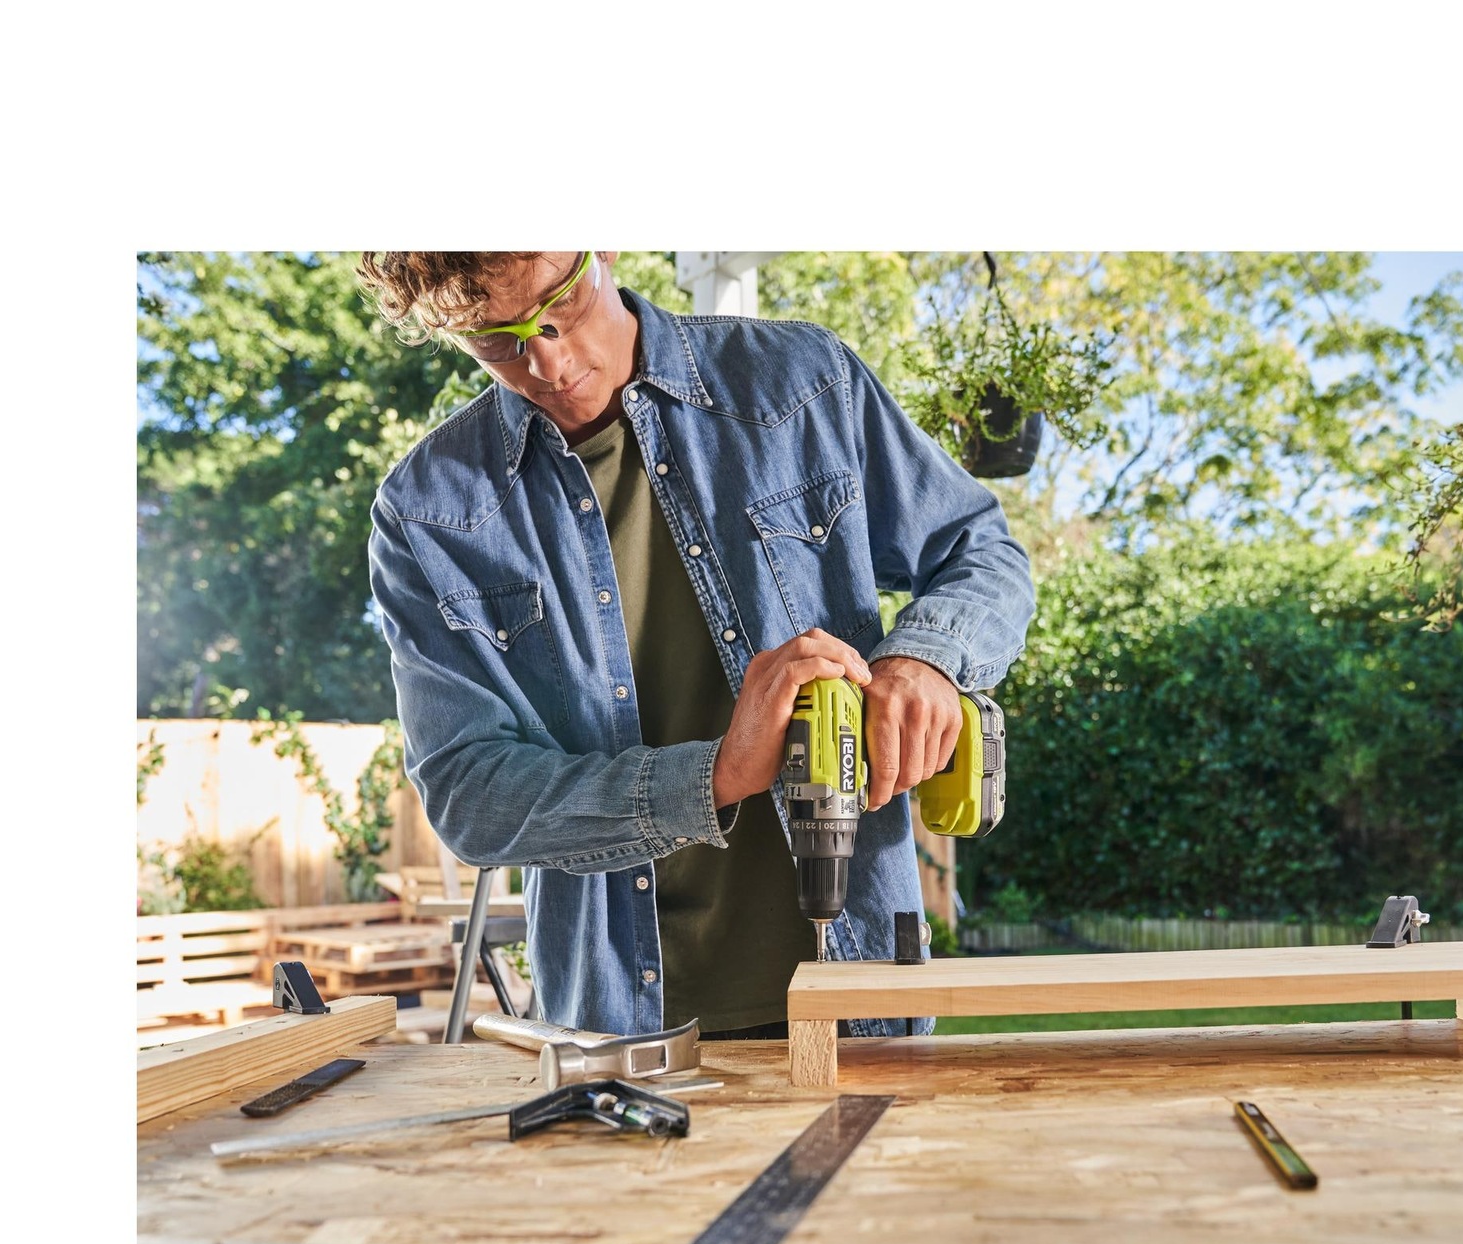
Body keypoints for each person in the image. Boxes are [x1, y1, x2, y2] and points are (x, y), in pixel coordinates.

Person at [355, 252, 1035, 1039]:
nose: (548, 364)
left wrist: (925, 658)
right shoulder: (429, 510)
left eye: (561, 303)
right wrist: (715, 776)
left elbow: (981, 552)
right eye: (494, 340)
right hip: (619, 1031)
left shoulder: (799, 381)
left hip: (861, 993)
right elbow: (469, 795)